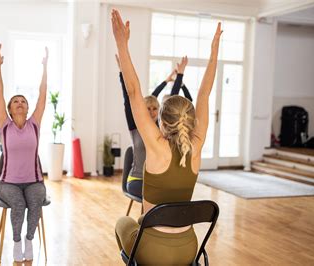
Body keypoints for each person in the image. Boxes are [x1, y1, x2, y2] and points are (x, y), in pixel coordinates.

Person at [111, 9, 222, 265]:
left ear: (161, 120)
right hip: (188, 249)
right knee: (138, 223)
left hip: (154, 251)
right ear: (190, 121)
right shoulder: (196, 146)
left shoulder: (157, 147)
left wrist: (122, 44)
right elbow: (204, 95)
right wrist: (214, 53)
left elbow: (134, 91)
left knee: (122, 222)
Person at [0, 44, 48, 262]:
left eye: (23, 101)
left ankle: (29, 240)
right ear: (9, 108)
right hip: (7, 183)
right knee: (18, 204)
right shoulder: (4, 125)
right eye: (15, 101)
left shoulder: (34, 124)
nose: (19, 103)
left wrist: (45, 68)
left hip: (34, 181)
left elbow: (43, 95)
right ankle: (16, 242)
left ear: (27, 108)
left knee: (35, 201)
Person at [117, 54, 191, 199]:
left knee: (176, 195)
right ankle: (149, 221)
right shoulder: (135, 126)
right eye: (147, 109)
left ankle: (160, 221)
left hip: (158, 179)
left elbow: (172, 99)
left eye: (154, 109)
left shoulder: (162, 128)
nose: (151, 112)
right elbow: (128, 99)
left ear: (159, 111)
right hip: (137, 180)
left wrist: (180, 75)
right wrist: (122, 72)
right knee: (157, 196)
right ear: (142, 110)